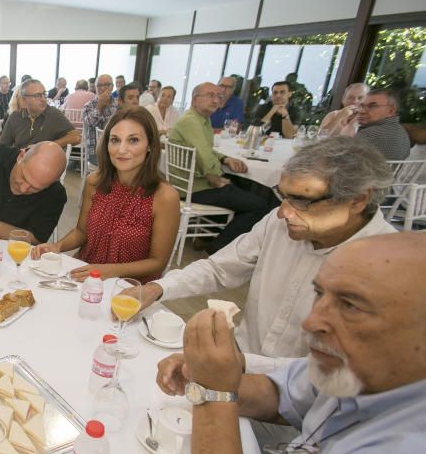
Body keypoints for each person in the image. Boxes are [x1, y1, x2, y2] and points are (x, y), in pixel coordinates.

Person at [157, 232, 426, 454]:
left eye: (351, 305)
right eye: (320, 293)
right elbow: (279, 393)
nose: (311, 322)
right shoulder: (363, 365)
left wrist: (212, 392)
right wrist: (211, 374)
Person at [134, 136, 395, 365]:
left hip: (296, 410)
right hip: (238, 358)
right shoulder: (279, 222)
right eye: (283, 197)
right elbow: (219, 268)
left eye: (302, 201)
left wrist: (240, 367)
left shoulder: (389, 269)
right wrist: (158, 288)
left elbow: (330, 376)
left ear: (358, 200)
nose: (283, 212)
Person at [33, 106, 179, 283]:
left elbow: (158, 262)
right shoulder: (95, 181)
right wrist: (58, 246)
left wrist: (108, 271)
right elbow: (81, 231)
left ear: (150, 145)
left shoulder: (164, 196)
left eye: (133, 140)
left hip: (129, 288)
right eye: (115, 140)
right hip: (84, 276)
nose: (121, 150)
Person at [169, 82, 268, 254]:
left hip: (191, 184)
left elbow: (206, 150)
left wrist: (224, 158)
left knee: (242, 187)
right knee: (260, 205)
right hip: (195, 188)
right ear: (194, 99)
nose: (215, 100)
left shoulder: (202, 119)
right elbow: (205, 157)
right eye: (210, 96)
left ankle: (206, 238)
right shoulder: (191, 121)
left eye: (218, 96)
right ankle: (218, 247)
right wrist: (215, 177)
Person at [0, 79, 81, 150]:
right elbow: (3, 146)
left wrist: (46, 146)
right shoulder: (15, 116)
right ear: (24, 100)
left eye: (44, 94)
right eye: (37, 96)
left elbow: (76, 137)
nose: (43, 99)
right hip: (20, 161)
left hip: (45, 163)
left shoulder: (53, 113)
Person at [355, 89, 411, 161]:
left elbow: (339, 163)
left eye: (372, 106)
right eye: (362, 106)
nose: (361, 111)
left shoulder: (368, 134)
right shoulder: (403, 133)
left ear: (391, 111)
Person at [81, 74, 119, 163]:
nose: (102, 88)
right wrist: (100, 105)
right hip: (96, 151)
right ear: (95, 88)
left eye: (106, 85)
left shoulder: (119, 105)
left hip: (118, 149)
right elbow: (91, 123)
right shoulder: (88, 106)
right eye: (99, 85)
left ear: (112, 87)